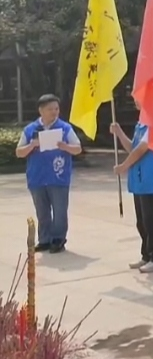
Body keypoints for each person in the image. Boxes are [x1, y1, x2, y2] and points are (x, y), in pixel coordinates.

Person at [16, 94, 82, 254]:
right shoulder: (30, 129)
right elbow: (19, 152)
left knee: (60, 211)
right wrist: (32, 145)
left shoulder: (65, 128)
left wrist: (65, 146)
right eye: (50, 109)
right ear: (41, 110)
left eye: (56, 109)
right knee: (42, 211)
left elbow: (78, 148)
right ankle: (44, 240)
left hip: (58, 177)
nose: (54, 112)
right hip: (37, 178)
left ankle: (58, 239)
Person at [111, 109, 153, 273]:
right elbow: (133, 147)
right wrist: (119, 133)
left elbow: (142, 148)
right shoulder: (141, 125)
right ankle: (147, 254)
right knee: (143, 221)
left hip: (152, 179)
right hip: (140, 180)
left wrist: (124, 166)